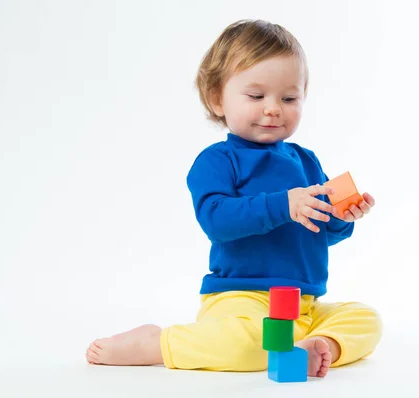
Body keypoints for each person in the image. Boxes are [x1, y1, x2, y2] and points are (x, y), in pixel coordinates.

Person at [86, 19, 382, 378]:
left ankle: (317, 346)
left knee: (366, 319)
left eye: (289, 98)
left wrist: (340, 217)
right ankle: (158, 343)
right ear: (217, 99)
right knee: (244, 343)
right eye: (256, 96)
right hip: (241, 300)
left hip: (304, 303)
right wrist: (283, 205)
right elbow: (217, 220)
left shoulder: (306, 160)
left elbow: (318, 231)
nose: (273, 108)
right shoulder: (217, 161)